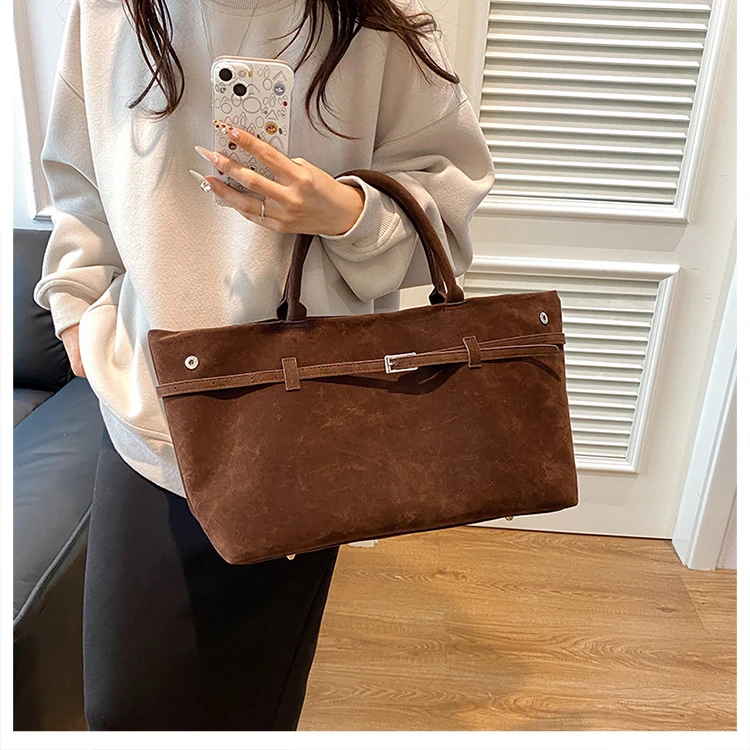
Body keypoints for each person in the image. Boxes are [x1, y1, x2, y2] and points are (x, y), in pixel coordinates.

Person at [32, 0, 495, 731]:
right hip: (151, 408)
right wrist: (73, 303)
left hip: (303, 426)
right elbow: (77, 179)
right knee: (120, 710)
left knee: (248, 709)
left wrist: (346, 213)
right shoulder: (112, 13)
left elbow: (447, 203)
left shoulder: (378, 22)